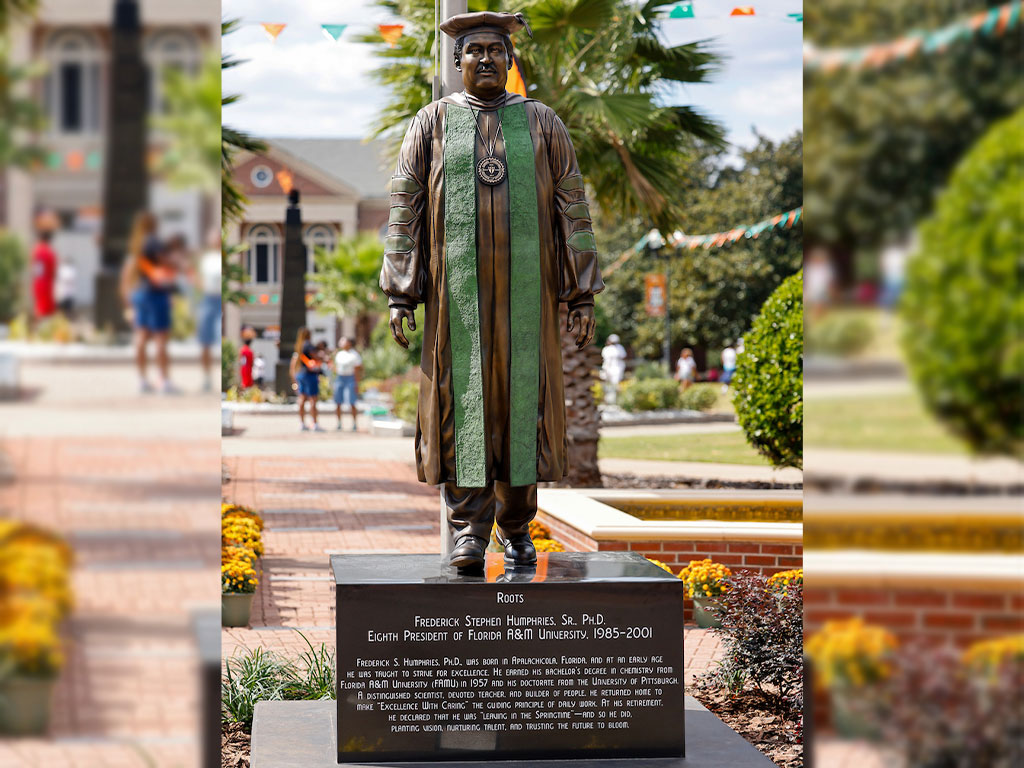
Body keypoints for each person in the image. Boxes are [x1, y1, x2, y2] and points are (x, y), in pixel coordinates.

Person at [380, 11, 604, 570]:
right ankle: (468, 533)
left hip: (528, 299)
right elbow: (405, 209)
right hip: (457, 302)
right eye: (473, 50)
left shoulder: (543, 123)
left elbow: (572, 209)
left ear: (510, 60)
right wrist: (401, 291)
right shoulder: (429, 124)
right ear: (457, 63)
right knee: (464, 409)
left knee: (522, 408)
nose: (484, 58)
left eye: (494, 50)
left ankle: (517, 527)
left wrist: (581, 292)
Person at [120, 211, 178, 394]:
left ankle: (142, 380)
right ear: (154, 224)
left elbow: (127, 276)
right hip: (156, 294)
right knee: (161, 338)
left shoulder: (136, 247)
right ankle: (164, 380)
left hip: (140, 294)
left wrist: (128, 302)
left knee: (141, 338)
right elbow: (165, 266)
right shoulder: (155, 243)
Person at [196, 228, 221, 392]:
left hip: (220, 299)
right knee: (205, 341)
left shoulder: (222, 258)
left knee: (220, 338)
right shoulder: (206, 259)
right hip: (207, 299)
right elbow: (198, 279)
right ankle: (206, 378)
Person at [291, 327, 323, 432]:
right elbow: (315, 357)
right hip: (310, 374)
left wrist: (294, 380)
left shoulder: (298, 347)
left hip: (301, 374)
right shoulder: (308, 345)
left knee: (302, 398)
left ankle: (301, 423)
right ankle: (314, 423)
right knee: (313, 399)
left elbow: (294, 365)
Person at [31, 213, 59, 323]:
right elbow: (51, 270)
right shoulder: (46, 251)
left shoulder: (38, 249)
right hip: (45, 282)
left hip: (40, 282)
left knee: (42, 308)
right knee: (44, 310)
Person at [332, 337, 363, 431]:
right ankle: (339, 423)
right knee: (338, 401)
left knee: (352, 401)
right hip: (340, 378)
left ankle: (354, 423)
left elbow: (358, 370)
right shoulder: (339, 354)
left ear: (349, 343)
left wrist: (357, 383)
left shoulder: (354, 355)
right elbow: (335, 367)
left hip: (350, 378)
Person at [601, 334, 627, 404]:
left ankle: (617, 401)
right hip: (607, 369)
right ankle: (605, 401)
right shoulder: (606, 349)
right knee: (605, 384)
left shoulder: (620, 348)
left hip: (617, 369)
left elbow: (623, 356)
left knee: (616, 385)